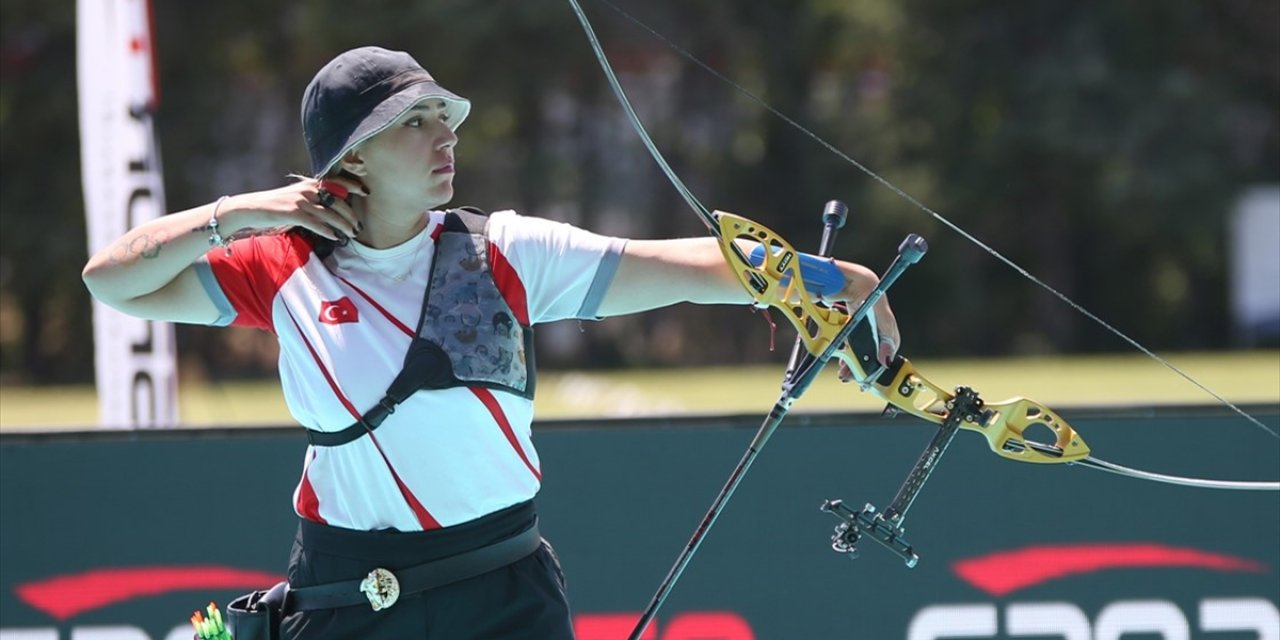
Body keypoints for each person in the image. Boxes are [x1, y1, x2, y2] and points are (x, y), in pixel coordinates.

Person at [82, 46, 900, 639]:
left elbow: (681, 267)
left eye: (445, 115)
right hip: (344, 597)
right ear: (350, 159)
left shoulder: (503, 250)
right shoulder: (281, 264)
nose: (445, 135)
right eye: (414, 122)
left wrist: (834, 282)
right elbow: (111, 280)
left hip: (502, 593)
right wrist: (238, 214)